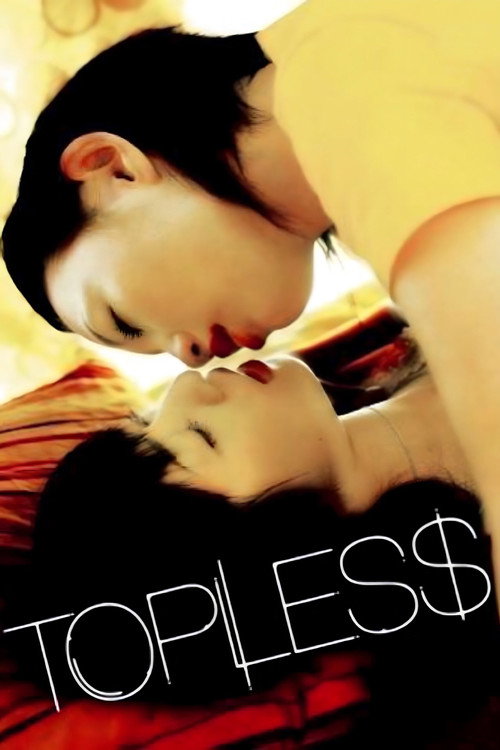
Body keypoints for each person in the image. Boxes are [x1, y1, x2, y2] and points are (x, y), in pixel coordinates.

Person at [3, 5, 500, 605]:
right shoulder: (347, 80)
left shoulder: (353, 87)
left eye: (124, 321)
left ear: (112, 170)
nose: (188, 364)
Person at [2, 356, 498, 748]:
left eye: (147, 417)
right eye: (200, 437)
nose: (187, 383)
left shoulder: (394, 345)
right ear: (269, 549)